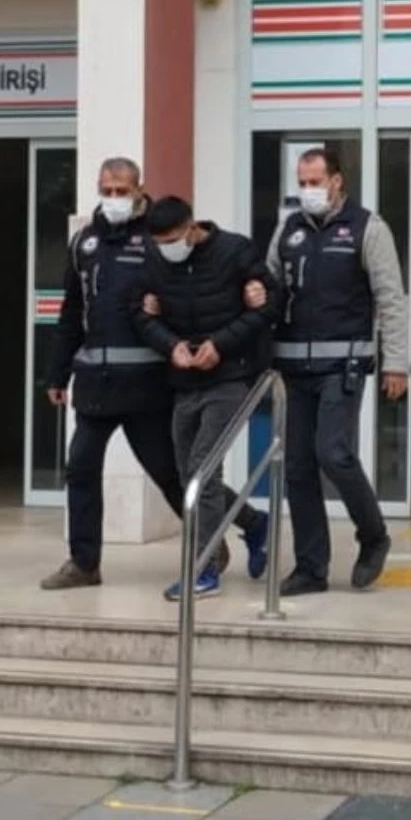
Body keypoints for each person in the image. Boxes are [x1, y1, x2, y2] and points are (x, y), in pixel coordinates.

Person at [40, 159, 268, 591]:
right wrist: (56, 373)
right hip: (95, 383)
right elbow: (72, 311)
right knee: (80, 468)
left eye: (121, 190)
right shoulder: (84, 243)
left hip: (148, 383)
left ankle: (241, 527)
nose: (113, 198)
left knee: (176, 477)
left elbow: (192, 289)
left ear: (139, 189)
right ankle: (84, 563)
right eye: (106, 189)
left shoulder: (159, 237)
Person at [260, 147, 409, 597]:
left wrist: (396, 362)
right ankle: (311, 568)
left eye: (315, 182)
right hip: (293, 366)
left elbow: (391, 299)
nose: (308, 190)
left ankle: (373, 535)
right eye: (302, 183)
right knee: (298, 466)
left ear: (337, 181)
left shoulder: (368, 228)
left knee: (334, 453)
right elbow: (269, 287)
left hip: (343, 364)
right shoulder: (288, 229)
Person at [132, 195, 279, 600]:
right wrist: (171, 345)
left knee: (202, 469)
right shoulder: (155, 260)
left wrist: (221, 344)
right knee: (188, 476)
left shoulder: (235, 250)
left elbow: (270, 304)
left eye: (173, 240)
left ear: (192, 227)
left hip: (231, 377)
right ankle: (255, 524)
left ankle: (204, 569)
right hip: (185, 380)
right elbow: (139, 314)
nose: (167, 249)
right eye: (160, 243)